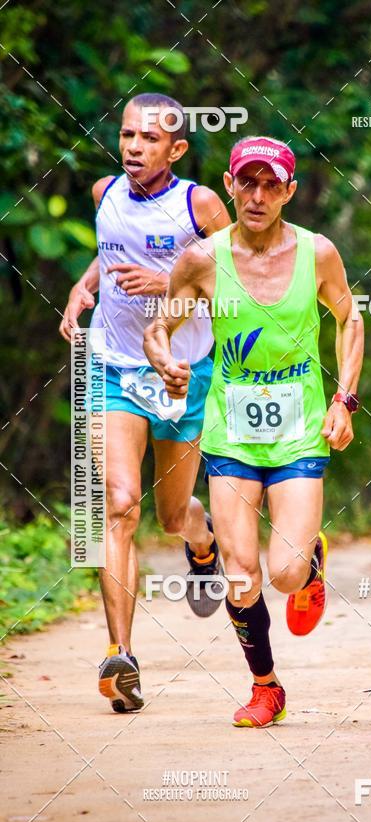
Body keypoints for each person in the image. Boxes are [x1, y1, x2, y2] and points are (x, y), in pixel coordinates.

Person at [144, 136, 364, 727]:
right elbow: (160, 328)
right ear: (229, 185)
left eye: (272, 184)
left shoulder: (318, 255)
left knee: (285, 572)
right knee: (240, 578)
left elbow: (350, 319)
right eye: (248, 182)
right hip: (229, 435)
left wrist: (344, 399)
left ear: (290, 191)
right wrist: (166, 361)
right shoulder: (201, 261)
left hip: (297, 433)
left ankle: (310, 562)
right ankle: (266, 687)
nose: (259, 195)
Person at [59, 93, 231, 713]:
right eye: (128, 134)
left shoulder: (201, 204)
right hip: (114, 366)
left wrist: (172, 283)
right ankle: (120, 656)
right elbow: (109, 254)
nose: (134, 146)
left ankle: (202, 545)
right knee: (120, 506)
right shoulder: (105, 192)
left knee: (171, 511)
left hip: (183, 371)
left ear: (176, 149)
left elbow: (243, 277)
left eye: (149, 139)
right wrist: (84, 286)